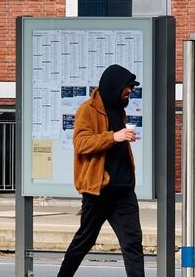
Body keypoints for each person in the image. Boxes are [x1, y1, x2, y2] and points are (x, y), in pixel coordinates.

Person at [59, 65, 143, 277]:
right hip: (98, 190)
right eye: (128, 87)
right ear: (115, 85)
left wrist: (122, 137)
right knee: (83, 242)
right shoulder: (87, 110)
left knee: (132, 243)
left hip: (123, 191)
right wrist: (114, 137)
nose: (130, 91)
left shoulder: (119, 109)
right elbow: (81, 143)